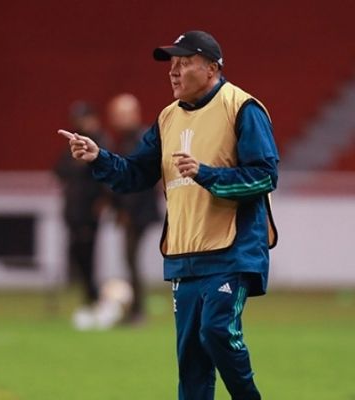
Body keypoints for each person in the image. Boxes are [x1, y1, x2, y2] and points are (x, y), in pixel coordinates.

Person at [60, 30, 278, 399]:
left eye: (184, 62)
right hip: (184, 256)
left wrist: (207, 173)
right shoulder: (166, 119)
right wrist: (100, 157)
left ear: (211, 68)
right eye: (171, 65)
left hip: (232, 250)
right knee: (191, 360)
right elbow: (136, 175)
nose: (173, 71)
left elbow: (264, 175)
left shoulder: (241, 108)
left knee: (217, 331)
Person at [106, 94, 160, 325]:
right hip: (134, 211)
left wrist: (127, 210)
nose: (116, 119)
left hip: (139, 212)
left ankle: (137, 311)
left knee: (131, 259)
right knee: (130, 259)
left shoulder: (140, 140)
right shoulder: (129, 140)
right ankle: (136, 309)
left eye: (120, 114)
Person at [54, 101, 108, 310]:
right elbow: (59, 169)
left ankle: (92, 294)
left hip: (89, 209)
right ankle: (90, 293)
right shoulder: (73, 142)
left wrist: (103, 200)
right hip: (73, 208)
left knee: (87, 252)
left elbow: (105, 175)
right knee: (78, 252)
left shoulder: (101, 141)